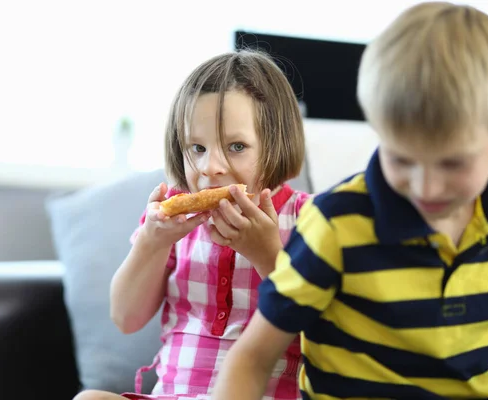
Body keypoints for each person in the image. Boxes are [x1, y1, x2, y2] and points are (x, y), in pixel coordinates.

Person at [212, 2, 488, 400]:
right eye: (402, 159)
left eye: (452, 163)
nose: (426, 188)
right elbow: (253, 357)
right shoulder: (336, 223)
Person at [73, 49, 310, 400]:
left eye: (236, 146)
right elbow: (126, 318)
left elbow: (323, 335)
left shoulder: (310, 220)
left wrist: (267, 256)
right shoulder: (172, 221)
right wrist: (151, 243)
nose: (209, 167)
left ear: (277, 143)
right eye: (196, 148)